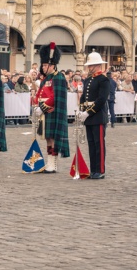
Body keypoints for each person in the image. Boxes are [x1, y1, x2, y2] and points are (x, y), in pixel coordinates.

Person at [33, 42, 70, 173]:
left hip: (53, 112)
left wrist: (42, 107)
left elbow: (55, 97)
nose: (43, 67)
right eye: (42, 65)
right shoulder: (45, 79)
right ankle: (49, 162)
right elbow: (39, 93)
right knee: (48, 138)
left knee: (53, 138)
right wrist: (36, 103)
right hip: (44, 112)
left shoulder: (59, 77)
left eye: (45, 65)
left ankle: (53, 164)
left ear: (52, 65)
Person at [77, 50, 110, 179]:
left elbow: (101, 100)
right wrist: (81, 109)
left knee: (99, 144)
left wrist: (88, 112)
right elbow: (84, 96)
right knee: (91, 144)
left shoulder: (103, 80)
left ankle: (100, 170)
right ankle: (93, 169)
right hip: (88, 116)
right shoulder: (89, 79)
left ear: (97, 65)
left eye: (91, 65)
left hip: (98, 115)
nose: (89, 68)